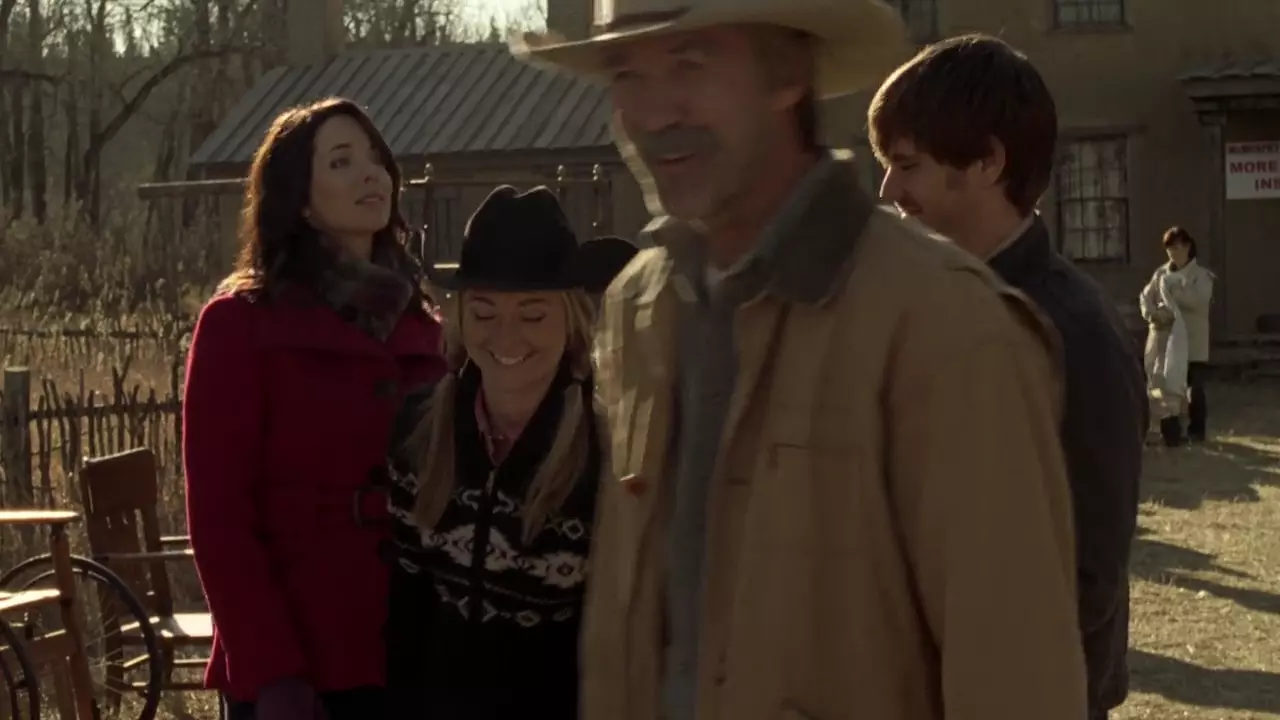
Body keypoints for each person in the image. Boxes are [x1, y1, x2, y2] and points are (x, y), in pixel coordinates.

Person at [513, 3, 1088, 720]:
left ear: (787, 72)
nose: (653, 113)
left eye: (690, 63)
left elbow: (1017, 681)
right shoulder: (641, 308)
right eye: (626, 72)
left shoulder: (944, 328)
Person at [870, 34, 1148, 720]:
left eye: (907, 165)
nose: (889, 191)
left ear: (988, 162)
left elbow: (1085, 578)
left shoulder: (1073, 331)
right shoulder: (927, 307)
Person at [182, 97, 447, 720]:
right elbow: (219, 517)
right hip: (298, 658)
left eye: (375, 158)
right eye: (341, 161)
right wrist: (273, 672)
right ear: (299, 198)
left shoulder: (423, 324)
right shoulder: (241, 324)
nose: (370, 174)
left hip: (412, 649)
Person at [383, 185, 636, 719]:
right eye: (484, 313)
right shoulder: (419, 433)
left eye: (533, 315)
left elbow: (622, 634)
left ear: (570, 320)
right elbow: (404, 613)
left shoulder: (608, 449)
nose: (507, 336)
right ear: (459, 318)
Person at [1140, 226, 1214, 446]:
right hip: (1167, 342)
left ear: (1188, 247)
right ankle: (1170, 432)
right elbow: (1146, 297)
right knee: (1167, 387)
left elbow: (1199, 300)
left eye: (1178, 247)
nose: (1173, 252)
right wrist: (1153, 314)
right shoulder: (1161, 274)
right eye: (1169, 248)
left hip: (1193, 340)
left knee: (1194, 388)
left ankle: (1197, 430)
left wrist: (1172, 294)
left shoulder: (1201, 275)